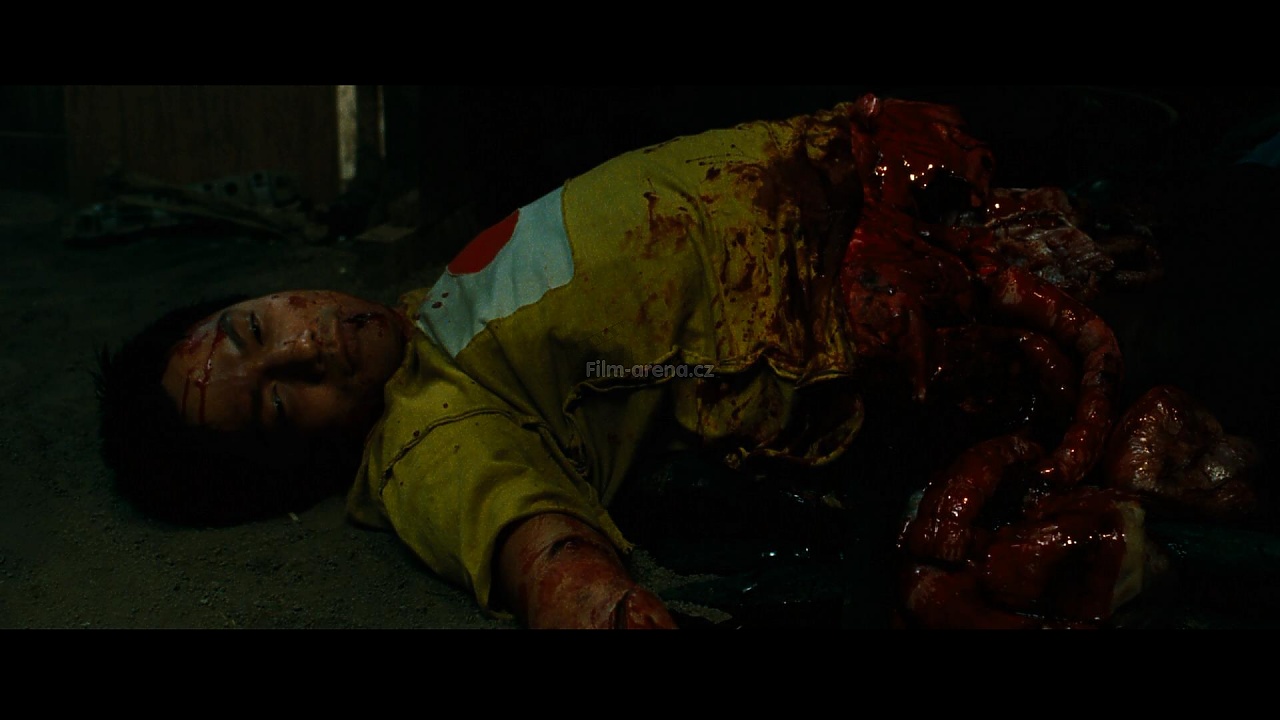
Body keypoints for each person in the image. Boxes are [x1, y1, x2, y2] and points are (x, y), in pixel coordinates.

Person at [99, 95, 1194, 628]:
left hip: (869, 174)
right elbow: (533, 549)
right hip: (874, 318)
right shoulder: (426, 435)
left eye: (255, 328)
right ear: (308, 463)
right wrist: (606, 611)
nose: (304, 347)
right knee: (1151, 316)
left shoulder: (427, 308)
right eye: (280, 409)